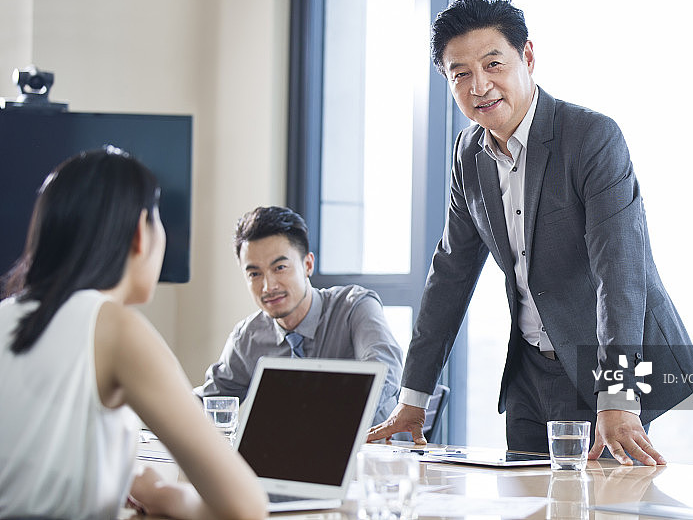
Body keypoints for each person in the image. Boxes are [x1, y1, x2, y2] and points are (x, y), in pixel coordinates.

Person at [367, 0, 693, 465]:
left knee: (606, 509)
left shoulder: (592, 138)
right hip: (527, 373)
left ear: (527, 56)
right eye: (460, 74)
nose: (479, 86)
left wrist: (619, 395)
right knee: (525, 505)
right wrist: (412, 400)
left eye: (493, 64)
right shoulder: (468, 155)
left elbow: (620, 274)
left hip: (602, 365)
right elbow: (449, 277)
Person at [0, 147, 266, 519]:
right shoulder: (114, 327)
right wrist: (162, 492)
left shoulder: (6, 315)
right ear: (141, 233)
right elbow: (244, 506)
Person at [195, 206, 404, 425]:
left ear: (308, 265)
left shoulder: (354, 308)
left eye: (280, 267)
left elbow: (385, 373)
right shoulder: (249, 336)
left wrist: (328, 418)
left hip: (371, 451)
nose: (268, 286)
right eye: (255, 274)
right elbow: (212, 399)